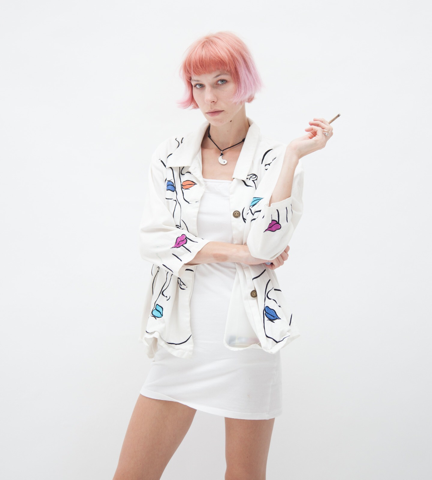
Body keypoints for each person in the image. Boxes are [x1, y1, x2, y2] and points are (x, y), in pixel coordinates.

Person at [113, 31, 333, 480]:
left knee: (245, 474)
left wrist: (293, 156)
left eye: (221, 82)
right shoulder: (170, 156)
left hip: (244, 336)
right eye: (198, 85)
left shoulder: (277, 159)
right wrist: (236, 252)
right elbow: (153, 239)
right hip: (181, 337)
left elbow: (267, 247)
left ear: (244, 83)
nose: (208, 97)